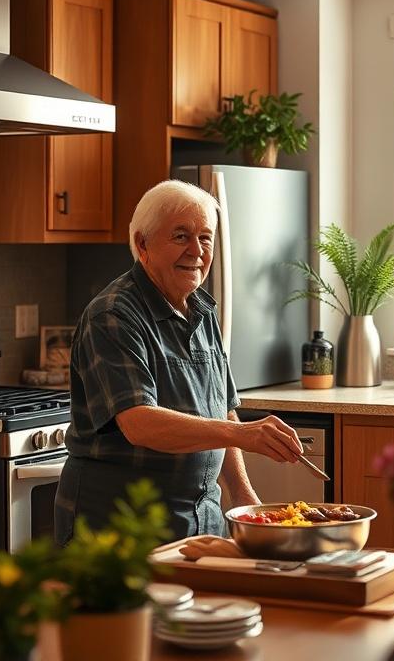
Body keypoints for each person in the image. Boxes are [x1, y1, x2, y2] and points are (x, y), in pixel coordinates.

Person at [54, 180, 303, 543]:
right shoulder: (112, 316)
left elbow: (224, 412)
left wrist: (243, 497)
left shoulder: (202, 311)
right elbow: (140, 423)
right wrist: (242, 434)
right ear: (143, 245)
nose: (196, 251)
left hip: (201, 522)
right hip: (120, 530)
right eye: (181, 236)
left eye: (205, 238)